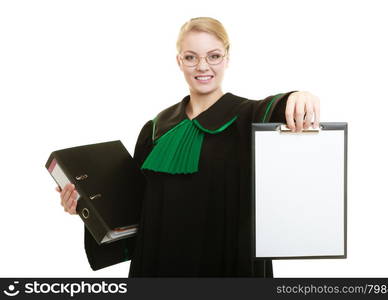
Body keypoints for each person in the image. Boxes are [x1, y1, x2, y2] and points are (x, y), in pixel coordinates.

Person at [56, 17, 320, 277]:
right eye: (191, 57)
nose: (202, 66)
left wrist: (299, 96)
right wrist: (85, 207)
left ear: (227, 58)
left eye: (213, 56)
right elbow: (132, 209)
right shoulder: (156, 129)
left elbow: (280, 109)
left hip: (225, 264)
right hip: (160, 264)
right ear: (179, 61)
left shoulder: (249, 116)